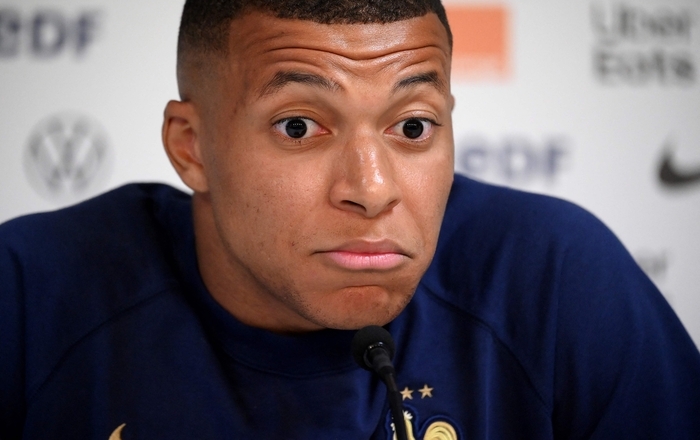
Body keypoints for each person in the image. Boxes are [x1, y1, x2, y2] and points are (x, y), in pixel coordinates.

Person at [1, 0, 699, 438]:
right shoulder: (32, 293)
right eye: (299, 126)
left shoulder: (555, 277)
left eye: (413, 126)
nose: (372, 190)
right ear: (192, 147)